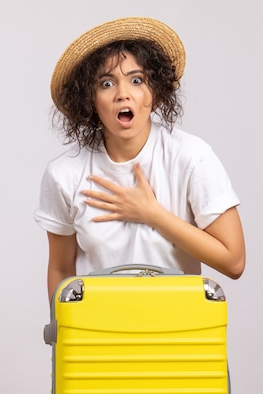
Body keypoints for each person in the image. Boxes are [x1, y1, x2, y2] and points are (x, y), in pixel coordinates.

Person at [34, 17, 246, 300]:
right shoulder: (64, 173)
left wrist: (152, 214)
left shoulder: (192, 157)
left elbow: (234, 262)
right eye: (106, 83)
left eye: (136, 80)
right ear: (90, 98)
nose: (123, 95)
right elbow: (61, 270)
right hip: (97, 332)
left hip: (177, 330)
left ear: (154, 91)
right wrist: (64, 334)